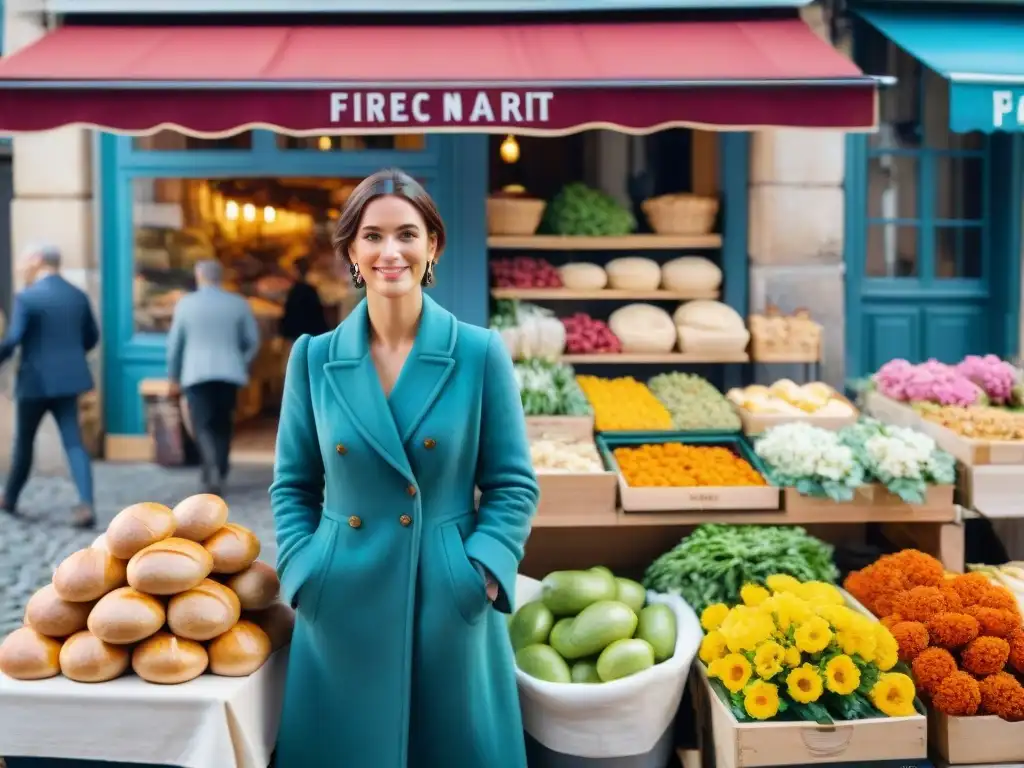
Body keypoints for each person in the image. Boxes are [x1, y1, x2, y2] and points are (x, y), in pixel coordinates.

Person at [271, 169, 539, 768]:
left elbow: (512, 483)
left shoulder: (478, 351)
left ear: (433, 246)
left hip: (448, 594)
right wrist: (303, 568)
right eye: (372, 236)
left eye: (407, 235)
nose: (390, 252)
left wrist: (483, 570)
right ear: (351, 252)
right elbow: (292, 484)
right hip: (340, 596)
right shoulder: (313, 358)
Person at [0, 243, 99, 528]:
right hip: (69, 381)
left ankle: (10, 498)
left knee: (25, 442)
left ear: (38, 260)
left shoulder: (28, 298)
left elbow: (13, 340)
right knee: (73, 442)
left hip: (35, 381)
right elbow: (92, 337)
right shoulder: (77, 296)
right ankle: (86, 503)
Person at [166, 260, 260, 495]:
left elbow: (175, 344)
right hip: (229, 373)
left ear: (199, 276)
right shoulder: (238, 303)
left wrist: (173, 376)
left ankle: (211, 470)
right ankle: (221, 467)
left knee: (202, 424)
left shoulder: (185, 304)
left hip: (196, 373)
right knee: (224, 423)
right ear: (221, 277)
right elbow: (253, 342)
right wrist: (241, 362)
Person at [279, 256, 329, 341]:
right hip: (311, 334)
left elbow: (291, 315)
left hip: (299, 334)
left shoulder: (297, 291)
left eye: (292, 270)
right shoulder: (311, 290)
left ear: (297, 271)